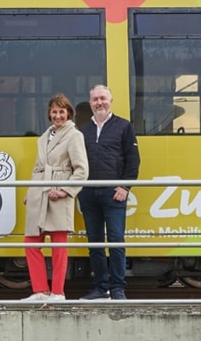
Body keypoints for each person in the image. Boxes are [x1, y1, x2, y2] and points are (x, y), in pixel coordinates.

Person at [22, 94, 88, 302]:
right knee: (31, 242)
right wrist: (30, 192)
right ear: (49, 114)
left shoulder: (74, 135)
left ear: (69, 113)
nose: (58, 116)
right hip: (40, 192)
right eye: (54, 112)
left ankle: (58, 292)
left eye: (62, 112)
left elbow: (81, 169)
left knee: (59, 246)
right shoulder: (44, 137)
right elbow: (37, 166)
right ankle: (40, 290)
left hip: (58, 194)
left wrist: (65, 190)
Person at [78, 85, 140, 301]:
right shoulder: (82, 131)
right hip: (88, 194)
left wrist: (125, 186)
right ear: (90, 103)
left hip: (114, 194)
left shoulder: (124, 127)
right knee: (94, 243)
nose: (99, 103)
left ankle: (117, 288)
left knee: (115, 241)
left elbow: (133, 160)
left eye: (102, 98)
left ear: (111, 100)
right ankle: (100, 287)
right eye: (95, 99)